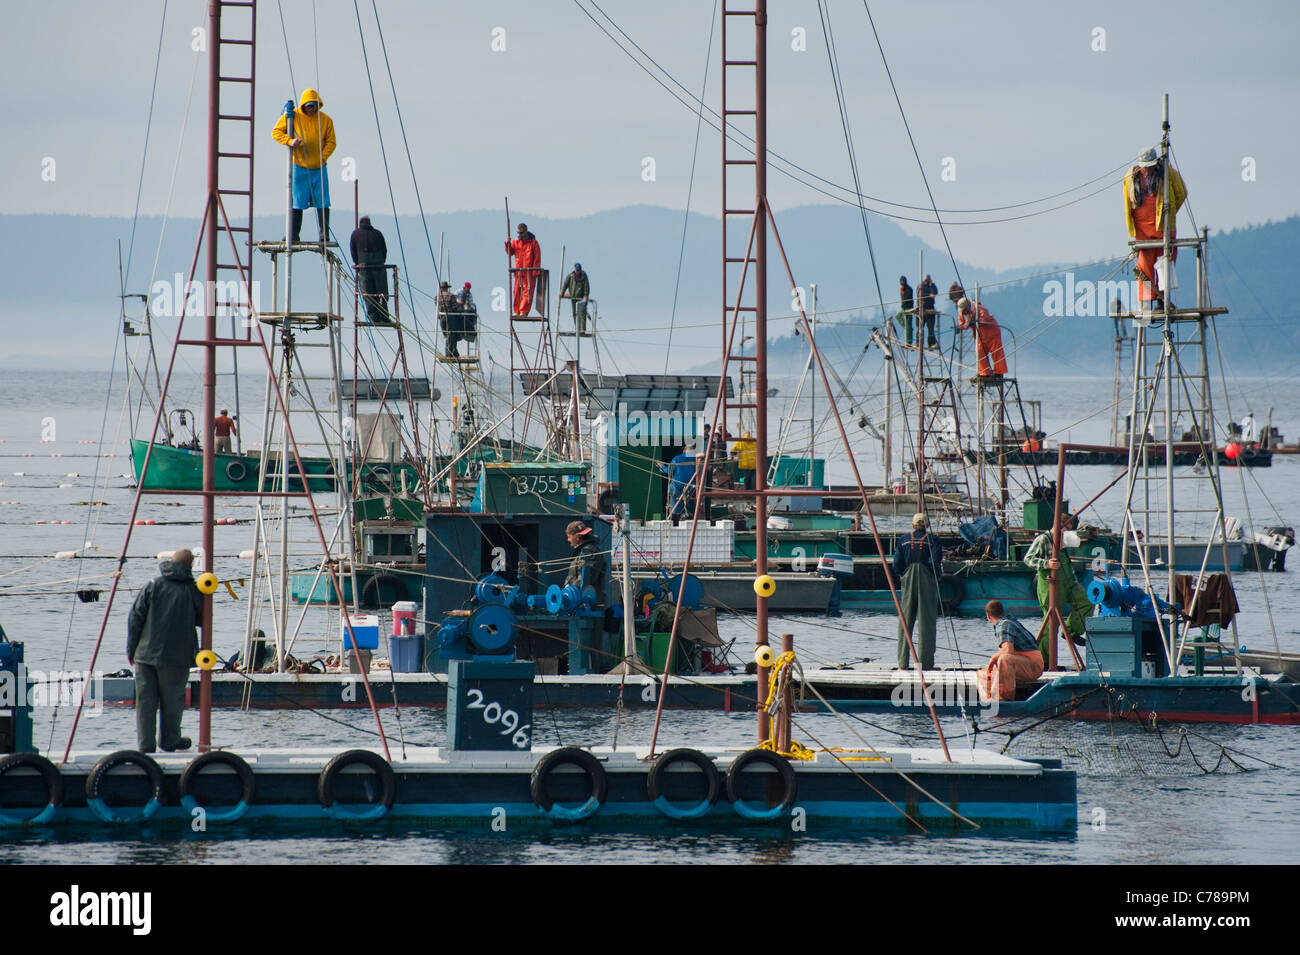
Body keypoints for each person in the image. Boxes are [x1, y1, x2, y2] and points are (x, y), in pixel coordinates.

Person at [127, 548, 204, 753]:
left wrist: (131, 649)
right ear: (190, 566)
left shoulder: (153, 585)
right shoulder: (192, 589)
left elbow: (135, 617)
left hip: (144, 655)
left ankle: (146, 745)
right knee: (172, 702)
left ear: (170, 562)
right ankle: (170, 741)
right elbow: (203, 619)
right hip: (176, 658)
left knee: (145, 704)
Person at [1124, 147, 1187, 310]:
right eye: (1146, 165)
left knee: (1165, 264)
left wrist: (1170, 211)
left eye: (1151, 165)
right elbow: (1128, 203)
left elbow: (1181, 193)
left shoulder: (1167, 173)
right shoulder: (1131, 178)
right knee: (1144, 265)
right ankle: (1145, 302)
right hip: (1143, 231)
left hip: (1163, 229)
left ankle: (1161, 301)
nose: (1148, 169)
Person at [271, 88, 336, 245]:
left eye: (314, 105)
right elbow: (276, 132)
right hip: (299, 166)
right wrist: (290, 141)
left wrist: (322, 156)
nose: (311, 108)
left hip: (319, 167)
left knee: (322, 201)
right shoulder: (293, 116)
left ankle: (324, 235)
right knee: (297, 201)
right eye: (308, 105)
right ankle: (293, 234)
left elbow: (331, 142)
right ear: (303, 105)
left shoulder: (326, 120)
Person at [1023, 520, 1090, 652]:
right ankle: (1045, 660)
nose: (1067, 534)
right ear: (1058, 527)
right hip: (1050, 586)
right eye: (1066, 530)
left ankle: (1071, 632)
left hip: (1068, 584)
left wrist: (1076, 582)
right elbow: (1028, 559)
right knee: (1051, 622)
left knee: (1085, 601)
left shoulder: (1063, 543)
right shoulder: (1043, 539)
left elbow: (1068, 565)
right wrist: (1047, 564)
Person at [892, 512, 944, 670]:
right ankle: (925, 664)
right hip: (926, 579)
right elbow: (935, 562)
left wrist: (903, 576)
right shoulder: (933, 540)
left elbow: (896, 565)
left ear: (913, 525)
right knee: (926, 621)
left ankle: (902, 664)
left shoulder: (903, 540)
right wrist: (936, 577)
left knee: (905, 621)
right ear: (927, 525)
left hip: (907, 580)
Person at [977, 600, 1045, 702]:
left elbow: (1008, 650)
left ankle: (1004, 699)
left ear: (988, 616)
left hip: (1034, 667)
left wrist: (994, 657)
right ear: (1002, 612)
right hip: (1022, 664)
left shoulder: (1004, 625)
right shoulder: (1007, 622)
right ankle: (988, 700)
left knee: (1005, 659)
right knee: (983, 673)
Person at [349, 216, 391, 324]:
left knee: (368, 294)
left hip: (364, 268)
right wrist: (380, 262)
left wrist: (358, 264)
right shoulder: (378, 233)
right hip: (379, 266)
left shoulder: (355, 234)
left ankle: (373, 317)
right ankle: (384, 316)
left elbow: (353, 252)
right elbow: (384, 250)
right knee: (381, 292)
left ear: (360, 224)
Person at [956, 297, 1008, 377]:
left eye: (964, 309)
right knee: (980, 353)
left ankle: (999, 372)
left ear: (968, 306)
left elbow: (985, 319)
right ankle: (985, 373)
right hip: (979, 335)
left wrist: (973, 321)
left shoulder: (979, 308)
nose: (963, 312)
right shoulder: (961, 313)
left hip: (992, 332)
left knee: (996, 352)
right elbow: (962, 324)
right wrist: (959, 328)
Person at [564, 521, 606, 605]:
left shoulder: (589, 552)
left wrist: (570, 590)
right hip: (581, 601)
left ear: (578, 537)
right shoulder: (584, 551)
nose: (568, 540)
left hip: (588, 602)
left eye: (569, 537)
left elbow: (587, 578)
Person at [505, 222, 542, 317]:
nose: (519, 235)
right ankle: (516, 310)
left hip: (529, 272)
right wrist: (507, 244)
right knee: (516, 291)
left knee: (527, 292)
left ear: (525, 232)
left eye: (521, 233)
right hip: (518, 271)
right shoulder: (516, 242)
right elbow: (510, 252)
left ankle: (523, 311)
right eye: (518, 233)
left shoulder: (533, 243)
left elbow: (537, 257)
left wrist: (535, 271)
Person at [660, 444, 701, 519]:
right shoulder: (697, 460)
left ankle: (675, 518)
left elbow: (669, 471)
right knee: (689, 508)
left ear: (685, 450)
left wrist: (661, 466)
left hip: (677, 488)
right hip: (692, 489)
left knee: (675, 509)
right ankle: (688, 515)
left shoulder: (677, 458)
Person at [560, 263, 591, 333]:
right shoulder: (570, 276)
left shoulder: (584, 276)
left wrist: (586, 296)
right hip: (573, 298)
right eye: (577, 270)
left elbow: (587, 286)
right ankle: (577, 329)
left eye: (579, 270)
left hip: (582, 298)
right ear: (575, 269)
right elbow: (565, 284)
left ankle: (582, 329)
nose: (578, 272)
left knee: (583, 313)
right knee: (575, 313)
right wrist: (562, 292)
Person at [436, 281, 464, 356]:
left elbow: (437, 306)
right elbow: (455, 307)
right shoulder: (451, 296)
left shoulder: (437, 297)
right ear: (447, 288)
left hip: (442, 318)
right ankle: (450, 352)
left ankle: (451, 351)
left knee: (447, 335)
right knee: (452, 334)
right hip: (450, 317)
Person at [919, 274, 939, 350]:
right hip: (922, 309)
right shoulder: (921, 286)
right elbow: (920, 294)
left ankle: (931, 343)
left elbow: (935, 292)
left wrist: (931, 285)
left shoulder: (932, 285)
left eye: (927, 280)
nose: (926, 282)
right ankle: (919, 343)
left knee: (931, 328)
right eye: (925, 280)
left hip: (930, 308)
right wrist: (928, 295)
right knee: (920, 327)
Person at [458, 282, 479, 350]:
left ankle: (469, 331)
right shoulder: (460, 291)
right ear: (465, 287)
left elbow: (472, 303)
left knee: (468, 316)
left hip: (467, 310)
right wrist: (459, 301)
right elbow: (454, 297)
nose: (469, 289)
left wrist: (471, 307)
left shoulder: (470, 294)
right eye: (468, 288)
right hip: (459, 308)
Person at [897, 275, 915, 346]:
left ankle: (909, 342)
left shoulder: (909, 289)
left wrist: (902, 291)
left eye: (903, 282)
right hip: (904, 308)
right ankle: (908, 328)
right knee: (898, 316)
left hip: (909, 308)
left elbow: (906, 298)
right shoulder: (901, 289)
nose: (902, 284)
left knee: (908, 324)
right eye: (901, 282)